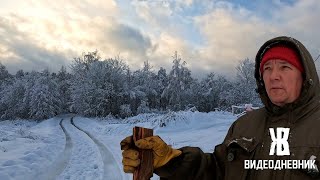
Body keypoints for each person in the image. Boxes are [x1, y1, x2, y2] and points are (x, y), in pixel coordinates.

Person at [120, 36, 320, 179]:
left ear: (304, 76)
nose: (273, 76)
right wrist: (172, 161)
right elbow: (217, 170)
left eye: (285, 67)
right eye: (267, 68)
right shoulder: (244, 125)